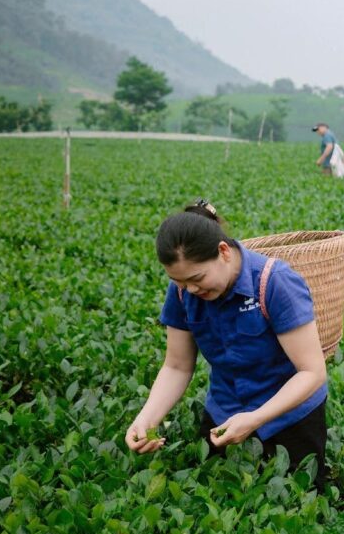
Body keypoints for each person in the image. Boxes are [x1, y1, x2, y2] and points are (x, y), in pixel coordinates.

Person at [125, 201, 329, 489]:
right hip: (225, 411)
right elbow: (177, 365)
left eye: (197, 279)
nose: (192, 290)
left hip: (288, 417)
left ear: (223, 252)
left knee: (296, 500)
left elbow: (312, 372)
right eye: (179, 282)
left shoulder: (274, 282)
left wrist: (255, 419)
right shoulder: (183, 292)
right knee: (218, 499)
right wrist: (147, 418)